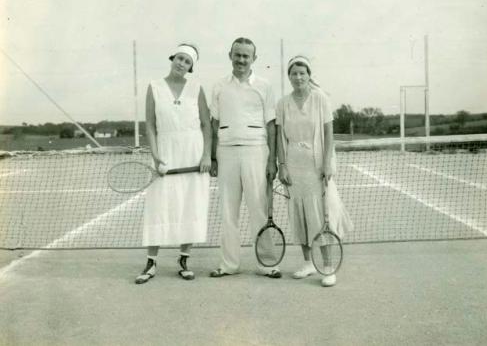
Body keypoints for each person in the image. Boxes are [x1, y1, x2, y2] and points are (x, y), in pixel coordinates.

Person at [135, 43, 212, 284]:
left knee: (191, 204)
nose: (182, 64)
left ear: (191, 67)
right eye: (179, 58)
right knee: (159, 205)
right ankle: (151, 262)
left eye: (187, 62)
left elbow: (206, 124)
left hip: (194, 151)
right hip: (166, 152)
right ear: (172, 58)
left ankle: (184, 259)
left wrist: (207, 155)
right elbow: (150, 125)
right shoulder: (154, 87)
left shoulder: (197, 88)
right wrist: (156, 156)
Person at [276, 55, 353, 287]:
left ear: (309, 75)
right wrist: (282, 165)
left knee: (322, 216)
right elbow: (279, 138)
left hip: (317, 165)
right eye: (294, 73)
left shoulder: (321, 98)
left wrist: (328, 162)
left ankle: (328, 267)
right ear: (289, 76)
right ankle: (308, 262)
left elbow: (329, 133)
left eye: (302, 73)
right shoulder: (282, 103)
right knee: (300, 215)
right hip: (294, 166)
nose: (298, 77)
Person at [209, 37, 281, 279]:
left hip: (256, 152)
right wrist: (213, 157)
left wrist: (272, 161)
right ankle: (229, 264)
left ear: (254, 59)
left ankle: (267, 263)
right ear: (230, 55)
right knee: (228, 212)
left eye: (246, 56)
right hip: (226, 152)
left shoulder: (265, 86)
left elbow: (271, 126)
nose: (241, 60)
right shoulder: (219, 86)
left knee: (259, 209)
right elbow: (214, 123)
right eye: (237, 55)